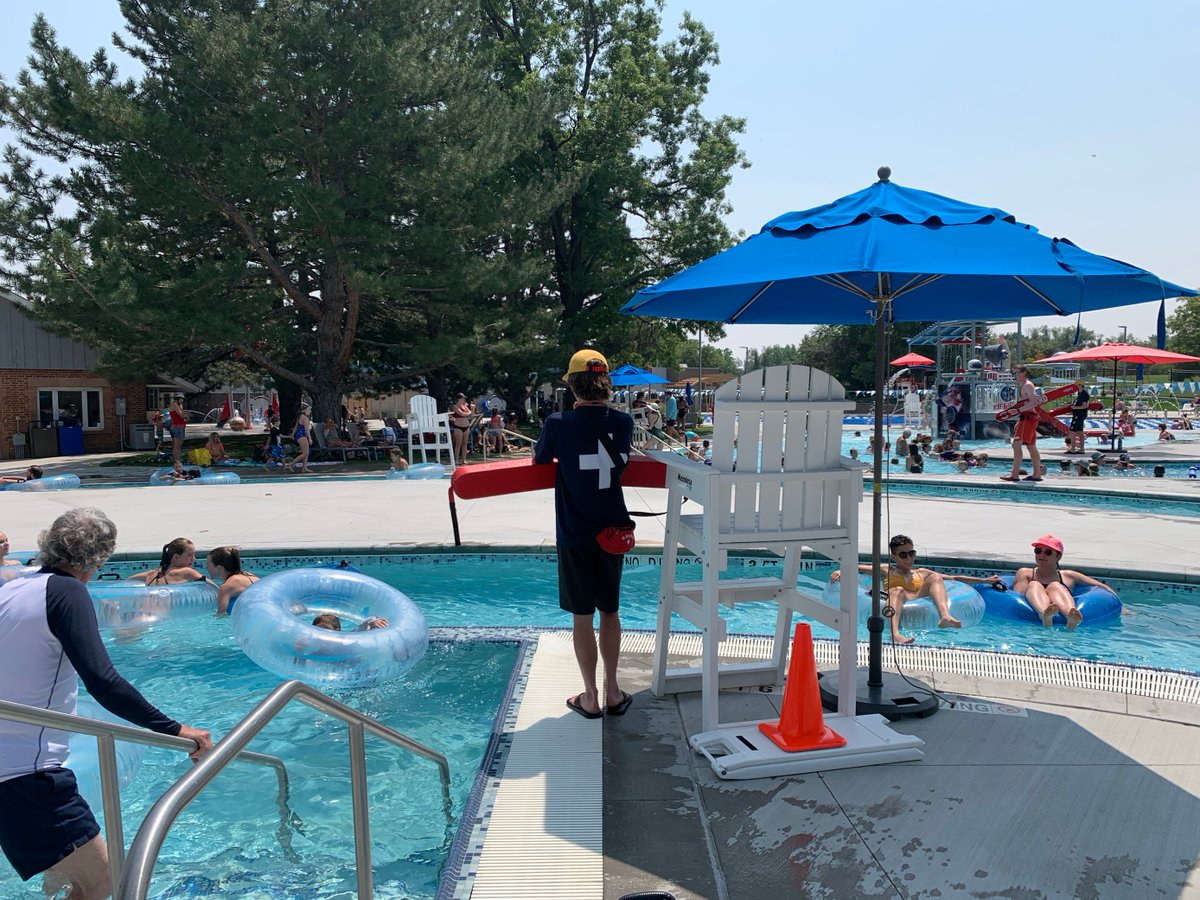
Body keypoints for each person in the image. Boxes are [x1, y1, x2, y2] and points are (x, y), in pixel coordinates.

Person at [0, 508, 212, 897]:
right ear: (98, 559)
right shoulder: (66, 592)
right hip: (28, 774)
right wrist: (177, 729)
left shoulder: (13, 588)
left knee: (71, 879)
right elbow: (103, 680)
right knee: (107, 880)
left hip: (12, 770)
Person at [534, 348, 634, 719]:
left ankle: (589, 697)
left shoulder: (558, 423)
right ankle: (613, 691)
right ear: (606, 383)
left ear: (573, 386)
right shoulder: (623, 422)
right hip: (613, 529)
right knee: (610, 611)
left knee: (582, 616)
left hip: (575, 531)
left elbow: (541, 459)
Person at [830, 534, 1001, 644]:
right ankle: (895, 634)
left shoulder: (921, 573)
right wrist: (841, 570)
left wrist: (984, 579)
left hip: (918, 598)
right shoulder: (886, 570)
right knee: (897, 590)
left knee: (935, 577)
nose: (908, 558)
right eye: (903, 555)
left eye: (911, 553)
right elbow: (857, 567)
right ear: (894, 557)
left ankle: (945, 616)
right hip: (896, 598)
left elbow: (954, 578)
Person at [1013, 534, 1112, 629]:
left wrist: (1120, 606)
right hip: (1035, 605)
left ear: (1058, 557)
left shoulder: (1068, 576)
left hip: (1059, 598)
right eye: (1038, 551)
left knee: (1055, 585)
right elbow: (1016, 597)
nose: (1042, 555)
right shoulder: (1025, 573)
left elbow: (1102, 586)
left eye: (1048, 552)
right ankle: (1044, 614)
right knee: (1034, 584)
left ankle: (1070, 615)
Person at [1002, 365, 1043, 483]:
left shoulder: (1028, 385)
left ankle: (1015, 474)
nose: (1015, 376)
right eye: (1013, 374)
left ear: (1024, 373)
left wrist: (1019, 411)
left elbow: (1034, 402)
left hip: (1028, 418)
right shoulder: (1022, 386)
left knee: (1016, 444)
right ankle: (1036, 474)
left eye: (1017, 373)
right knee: (1031, 446)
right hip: (1026, 418)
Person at [129, 537, 206, 586]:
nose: (194, 558)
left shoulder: (151, 574)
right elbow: (214, 587)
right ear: (176, 557)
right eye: (190, 555)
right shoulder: (187, 572)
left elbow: (129, 580)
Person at [206, 546, 259, 615]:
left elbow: (221, 616)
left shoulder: (226, 587)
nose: (206, 567)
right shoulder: (251, 576)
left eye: (208, 564)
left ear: (219, 568)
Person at [288, 405, 313, 473]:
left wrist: (292, 435)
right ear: (304, 410)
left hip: (299, 435)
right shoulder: (304, 418)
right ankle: (291, 464)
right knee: (305, 453)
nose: (310, 412)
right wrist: (310, 438)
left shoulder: (299, 417)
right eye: (309, 410)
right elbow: (306, 429)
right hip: (302, 435)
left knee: (306, 453)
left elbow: (296, 427)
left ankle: (304, 468)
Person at [1067, 379, 1089, 453]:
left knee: (1072, 431)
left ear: (1080, 385)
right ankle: (1082, 449)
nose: (1075, 387)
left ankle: (1073, 449)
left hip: (1079, 415)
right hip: (1079, 415)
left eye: (1076, 385)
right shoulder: (1080, 394)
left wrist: (1074, 407)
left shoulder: (1084, 394)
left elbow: (1084, 406)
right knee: (1080, 432)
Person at [450, 394, 474, 461]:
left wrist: (472, 409)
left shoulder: (465, 406)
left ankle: (464, 459)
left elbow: (471, 414)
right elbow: (462, 414)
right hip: (458, 426)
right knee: (458, 444)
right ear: (459, 399)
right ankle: (456, 459)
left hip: (466, 426)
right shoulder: (455, 406)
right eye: (463, 398)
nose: (464, 399)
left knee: (465, 444)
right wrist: (469, 413)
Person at [167, 394, 188, 468]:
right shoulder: (175, 405)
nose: (182, 401)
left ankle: (177, 460)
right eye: (181, 399)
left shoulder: (176, 405)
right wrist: (186, 416)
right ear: (178, 399)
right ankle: (177, 460)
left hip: (178, 426)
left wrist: (181, 406)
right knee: (178, 445)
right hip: (178, 426)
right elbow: (181, 415)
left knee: (177, 445)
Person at [312, 613, 388, 631]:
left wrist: (372, 623)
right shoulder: (311, 645)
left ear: (337, 631)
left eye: (326, 630)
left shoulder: (343, 642)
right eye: (318, 630)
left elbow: (361, 627)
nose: (321, 633)